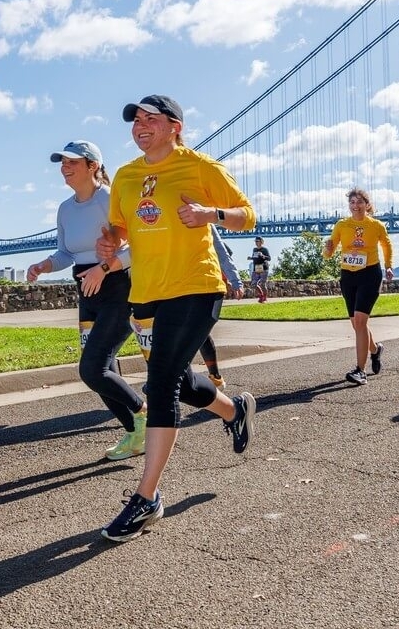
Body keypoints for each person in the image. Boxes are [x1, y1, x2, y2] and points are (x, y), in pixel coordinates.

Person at [97, 94, 257, 543]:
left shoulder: (201, 167)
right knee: (180, 381)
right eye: (136, 120)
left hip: (196, 286)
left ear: (175, 127)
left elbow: (247, 214)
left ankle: (147, 498)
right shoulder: (127, 176)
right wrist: (109, 243)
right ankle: (234, 409)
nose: (140, 126)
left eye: (151, 119)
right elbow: (120, 226)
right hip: (146, 293)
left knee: (161, 382)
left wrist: (212, 214)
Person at [26, 140, 145, 462]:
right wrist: (44, 266)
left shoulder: (111, 200)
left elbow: (138, 246)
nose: (65, 168)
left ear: (93, 165)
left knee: (92, 369)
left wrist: (103, 269)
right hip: (86, 290)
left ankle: (143, 412)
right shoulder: (65, 208)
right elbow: (66, 253)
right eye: (62, 162)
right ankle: (135, 434)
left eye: (72, 162)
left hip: (117, 288)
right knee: (101, 369)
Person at [323, 188, 394, 385]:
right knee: (357, 324)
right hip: (348, 275)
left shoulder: (376, 225)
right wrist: (327, 250)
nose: (355, 206)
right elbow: (329, 251)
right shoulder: (342, 225)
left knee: (361, 322)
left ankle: (360, 371)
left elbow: (387, 246)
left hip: (369, 274)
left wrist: (388, 266)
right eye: (352, 202)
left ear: (367, 204)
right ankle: (375, 350)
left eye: (359, 202)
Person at [198, 227, 245, 390]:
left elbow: (222, 252)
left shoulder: (202, 217)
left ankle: (215, 378)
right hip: (176, 286)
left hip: (207, 286)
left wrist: (235, 280)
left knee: (200, 332)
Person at [249, 236, 272, 302]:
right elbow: (255, 258)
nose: (256, 242)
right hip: (256, 268)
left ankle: (264, 297)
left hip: (264, 268)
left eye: (257, 241)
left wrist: (263, 256)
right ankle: (261, 295)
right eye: (255, 241)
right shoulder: (254, 249)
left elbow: (269, 258)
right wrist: (251, 258)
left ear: (261, 242)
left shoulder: (264, 249)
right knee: (253, 284)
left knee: (262, 284)